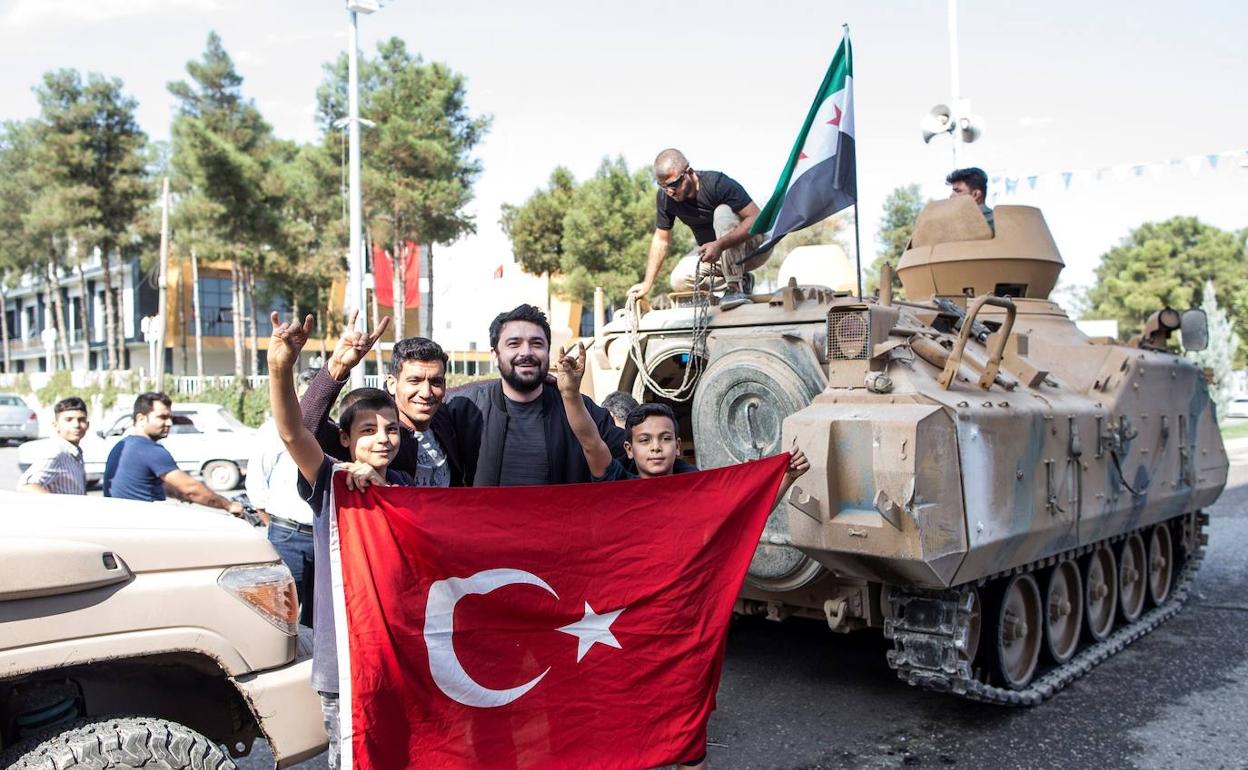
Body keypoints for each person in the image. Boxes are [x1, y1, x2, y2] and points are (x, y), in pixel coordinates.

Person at [554, 343, 809, 770]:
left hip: (681, 624)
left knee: (687, 732)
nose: (656, 448)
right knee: (625, 721)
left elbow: (749, 514)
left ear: (678, 446)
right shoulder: (616, 481)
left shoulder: (697, 491)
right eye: (645, 441)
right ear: (630, 449)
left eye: (665, 439)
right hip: (624, 622)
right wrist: (569, 392)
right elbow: (588, 438)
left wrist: (783, 477)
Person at [266, 311, 428, 770]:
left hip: (402, 655)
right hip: (345, 663)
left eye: (392, 429)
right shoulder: (331, 481)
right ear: (345, 438)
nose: (383, 439)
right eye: (369, 430)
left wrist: (384, 489)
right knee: (353, 758)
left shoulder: (407, 488)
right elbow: (293, 430)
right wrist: (283, 366)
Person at [442, 304, 630, 486]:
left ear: (548, 352)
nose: (526, 352)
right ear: (494, 355)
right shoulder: (463, 409)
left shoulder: (581, 409)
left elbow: (635, 457)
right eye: (514, 344)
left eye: (536, 344)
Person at [300, 310, 464, 487]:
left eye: (436, 382)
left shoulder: (448, 422)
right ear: (392, 384)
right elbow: (304, 428)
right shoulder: (365, 436)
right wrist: (338, 367)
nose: (426, 392)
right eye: (414, 381)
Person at [627, 148, 771, 311]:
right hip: (717, 256)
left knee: (722, 212)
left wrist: (720, 244)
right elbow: (661, 240)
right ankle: (742, 280)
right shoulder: (666, 198)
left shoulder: (717, 183)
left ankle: (735, 286)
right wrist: (647, 283)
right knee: (679, 279)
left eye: (674, 184)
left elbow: (758, 219)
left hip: (753, 249)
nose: (670, 191)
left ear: (688, 172)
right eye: (663, 187)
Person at [247, 367, 319, 626]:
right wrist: (274, 524)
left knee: (318, 613)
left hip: (322, 535)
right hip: (287, 533)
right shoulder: (273, 430)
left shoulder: (330, 428)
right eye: (305, 397)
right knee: (280, 611)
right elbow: (257, 482)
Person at [102, 392, 245, 517]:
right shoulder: (149, 449)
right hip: (141, 528)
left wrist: (180, 494)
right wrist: (229, 505)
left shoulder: (124, 445)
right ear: (141, 418)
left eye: (170, 417)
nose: (169, 422)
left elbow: (157, 486)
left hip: (121, 524)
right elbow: (191, 489)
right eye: (162, 417)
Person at [16, 396, 89, 495]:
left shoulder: (75, 452)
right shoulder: (56, 453)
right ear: (55, 425)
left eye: (81, 420)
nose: (76, 425)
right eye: (69, 420)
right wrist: (57, 506)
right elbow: (26, 486)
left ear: (87, 424)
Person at [946, 166, 995, 233]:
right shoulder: (1001, 221)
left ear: (975, 195)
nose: (951, 196)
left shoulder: (952, 226)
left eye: (958, 191)